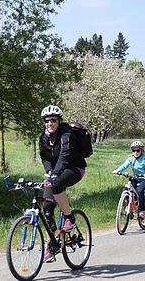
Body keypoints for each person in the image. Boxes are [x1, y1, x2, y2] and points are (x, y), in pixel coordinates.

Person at [38, 104, 86, 262]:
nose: (49, 123)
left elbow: (64, 156)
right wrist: (48, 173)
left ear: (59, 120)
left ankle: (69, 218)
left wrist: (54, 175)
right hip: (56, 173)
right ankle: (53, 244)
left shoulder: (67, 134)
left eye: (53, 120)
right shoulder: (43, 137)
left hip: (75, 169)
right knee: (46, 209)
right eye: (47, 121)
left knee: (57, 185)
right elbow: (45, 157)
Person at [112, 140, 145, 219]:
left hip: (144, 179)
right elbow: (124, 165)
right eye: (134, 150)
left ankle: (142, 211)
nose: (136, 152)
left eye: (137, 150)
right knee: (127, 189)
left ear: (141, 150)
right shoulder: (131, 158)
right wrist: (118, 170)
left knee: (141, 191)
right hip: (135, 177)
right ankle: (129, 207)